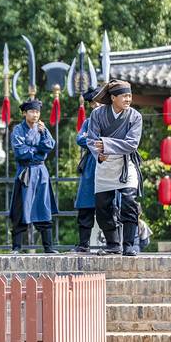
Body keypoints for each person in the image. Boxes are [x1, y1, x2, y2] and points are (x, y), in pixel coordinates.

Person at [87, 79, 143, 256]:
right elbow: (91, 139)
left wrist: (105, 144)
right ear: (113, 98)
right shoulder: (97, 114)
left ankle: (129, 245)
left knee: (129, 203)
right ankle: (113, 244)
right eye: (124, 96)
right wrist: (98, 153)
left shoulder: (135, 116)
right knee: (102, 207)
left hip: (126, 163)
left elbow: (132, 144)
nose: (128, 99)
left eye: (129, 96)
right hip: (104, 162)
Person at [10, 98, 59, 253]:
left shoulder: (42, 128)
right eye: (32, 111)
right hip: (25, 172)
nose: (35, 115)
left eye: (37, 112)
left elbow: (50, 145)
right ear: (24, 113)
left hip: (41, 172)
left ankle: (48, 247)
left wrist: (43, 134)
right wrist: (38, 151)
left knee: (43, 206)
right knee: (21, 207)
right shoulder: (18, 130)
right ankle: (16, 247)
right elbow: (20, 152)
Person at [71, 87, 102, 253]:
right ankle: (84, 244)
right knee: (86, 205)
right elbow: (79, 139)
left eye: (99, 101)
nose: (96, 104)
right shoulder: (88, 122)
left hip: (110, 163)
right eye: (93, 102)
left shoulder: (112, 120)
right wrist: (98, 141)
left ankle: (115, 244)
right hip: (91, 165)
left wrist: (93, 140)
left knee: (111, 207)